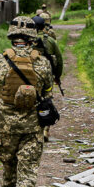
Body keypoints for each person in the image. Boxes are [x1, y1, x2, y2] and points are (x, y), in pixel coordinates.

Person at [0, 16, 55, 187]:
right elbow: (46, 92)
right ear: (32, 38)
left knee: (9, 165)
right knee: (28, 170)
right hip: (32, 126)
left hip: (5, 126)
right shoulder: (42, 63)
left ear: (12, 36)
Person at [32, 15, 63, 143]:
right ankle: (45, 129)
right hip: (46, 75)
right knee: (46, 101)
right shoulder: (49, 40)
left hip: (30, 75)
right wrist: (57, 76)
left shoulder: (27, 40)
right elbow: (59, 59)